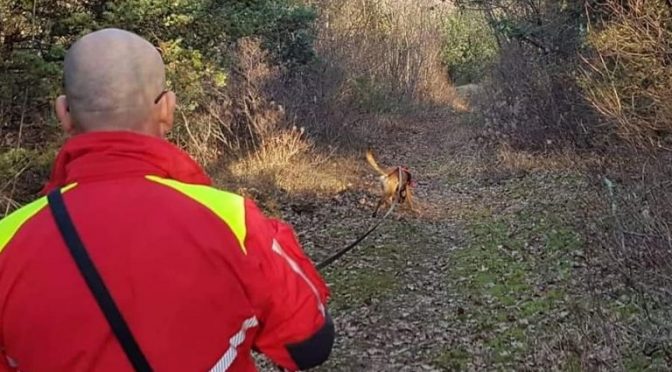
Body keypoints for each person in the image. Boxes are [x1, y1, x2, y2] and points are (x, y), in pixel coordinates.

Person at [0, 28, 334, 372]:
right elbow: (309, 345)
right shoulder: (232, 221)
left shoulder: (6, 241)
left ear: (64, 113)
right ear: (167, 110)